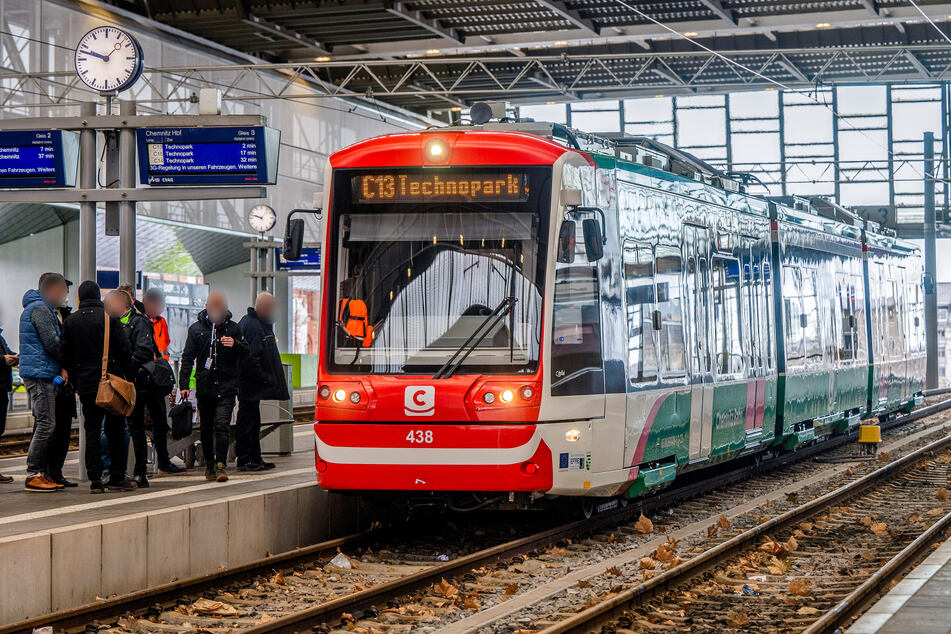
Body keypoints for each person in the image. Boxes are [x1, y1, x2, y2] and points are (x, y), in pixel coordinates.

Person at [60, 281, 136, 493]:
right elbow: (124, 350)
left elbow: (65, 354)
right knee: (115, 430)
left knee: (91, 430)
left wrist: (76, 380)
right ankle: (117, 477)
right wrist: (127, 377)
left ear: (80, 298)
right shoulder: (109, 319)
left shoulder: (71, 321)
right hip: (110, 383)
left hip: (86, 385)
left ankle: (95, 479)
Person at [179, 290, 248, 483]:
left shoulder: (233, 329)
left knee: (222, 425)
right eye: (213, 307)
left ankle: (221, 465)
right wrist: (184, 384)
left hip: (226, 386)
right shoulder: (196, 330)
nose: (217, 311)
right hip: (205, 386)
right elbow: (187, 358)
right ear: (207, 308)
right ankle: (209, 464)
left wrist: (235, 344)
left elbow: (247, 352)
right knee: (207, 427)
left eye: (220, 308)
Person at [19, 273, 69, 492]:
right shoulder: (40, 309)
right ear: (53, 290)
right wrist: (66, 362)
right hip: (40, 374)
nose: (64, 297)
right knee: (46, 423)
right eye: (63, 292)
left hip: (42, 371)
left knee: (45, 422)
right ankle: (33, 473)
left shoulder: (39, 308)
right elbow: (52, 342)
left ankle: (41, 472)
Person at [106, 289, 155, 488]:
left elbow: (144, 350)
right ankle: (119, 471)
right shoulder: (114, 321)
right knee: (119, 428)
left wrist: (126, 368)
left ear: (122, 304)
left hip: (134, 384)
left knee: (136, 428)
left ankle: (140, 472)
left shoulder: (138, 322)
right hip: (119, 384)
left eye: (109, 303)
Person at [237, 293, 289, 472]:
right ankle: (244, 460)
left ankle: (255, 457)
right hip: (249, 383)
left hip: (253, 384)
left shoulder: (258, 323)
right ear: (261, 307)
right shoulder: (252, 325)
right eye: (270, 307)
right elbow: (250, 357)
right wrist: (263, 377)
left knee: (253, 422)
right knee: (247, 422)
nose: (272, 311)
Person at [143, 288, 181, 474]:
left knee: (160, 422)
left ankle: (163, 463)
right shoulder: (139, 321)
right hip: (143, 379)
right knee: (138, 425)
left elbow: (163, 348)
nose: (160, 307)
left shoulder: (161, 322)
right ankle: (141, 465)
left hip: (157, 380)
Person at [48, 293, 78, 488]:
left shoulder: (66, 316)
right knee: (51, 429)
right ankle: (46, 472)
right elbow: (55, 346)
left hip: (66, 383)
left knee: (64, 430)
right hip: (54, 380)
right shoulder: (43, 313)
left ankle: (55, 472)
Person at [0, 325, 17, 484]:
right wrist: (3, 359)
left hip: (2, 387)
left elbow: (7, 352)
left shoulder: (0, 337)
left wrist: (13, 357)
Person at [145, 288, 171, 361]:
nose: (157, 308)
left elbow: (166, 341)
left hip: (161, 365)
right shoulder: (139, 321)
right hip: (146, 367)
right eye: (155, 304)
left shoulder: (161, 321)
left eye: (159, 304)